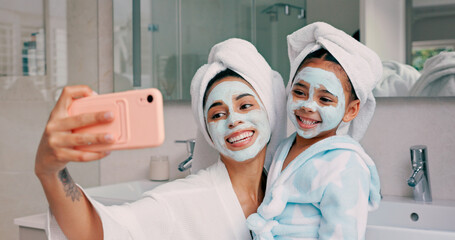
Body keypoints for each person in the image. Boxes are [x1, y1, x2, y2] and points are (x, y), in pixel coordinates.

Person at [35, 38, 286, 239]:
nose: (233, 120)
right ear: (208, 132)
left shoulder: (286, 190)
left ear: (270, 111)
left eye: (245, 106)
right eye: (217, 114)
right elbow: (98, 232)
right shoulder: (186, 200)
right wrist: (51, 173)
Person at [246, 22, 382, 239]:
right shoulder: (285, 147)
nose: (308, 106)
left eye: (325, 99)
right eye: (299, 92)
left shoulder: (346, 164)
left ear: (351, 110)